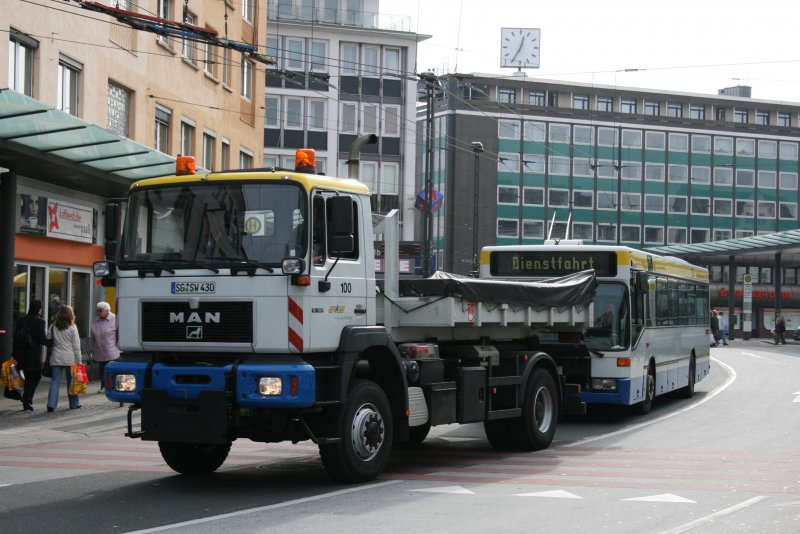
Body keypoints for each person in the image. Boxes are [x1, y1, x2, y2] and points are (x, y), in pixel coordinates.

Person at [11, 300, 51, 411]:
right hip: (33, 355)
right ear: (38, 309)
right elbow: (42, 340)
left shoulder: (21, 320)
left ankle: (26, 401)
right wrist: (52, 342)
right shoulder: (40, 322)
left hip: (21, 354)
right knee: (36, 376)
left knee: (28, 377)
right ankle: (27, 398)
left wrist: (14, 353)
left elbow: (15, 338)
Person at [46, 305, 83, 411]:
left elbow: (49, 338)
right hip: (69, 358)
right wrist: (79, 360)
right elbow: (76, 345)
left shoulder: (53, 326)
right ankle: (74, 403)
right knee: (71, 381)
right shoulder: (72, 327)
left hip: (56, 356)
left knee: (55, 381)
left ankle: (51, 404)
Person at [89, 301, 119, 392]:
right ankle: (103, 386)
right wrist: (91, 348)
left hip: (112, 350)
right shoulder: (96, 321)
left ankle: (113, 386)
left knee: (111, 370)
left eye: (100, 311)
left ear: (106, 311)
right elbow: (92, 336)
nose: (98, 313)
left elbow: (119, 334)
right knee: (102, 371)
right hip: (99, 350)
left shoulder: (115, 319)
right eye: (97, 311)